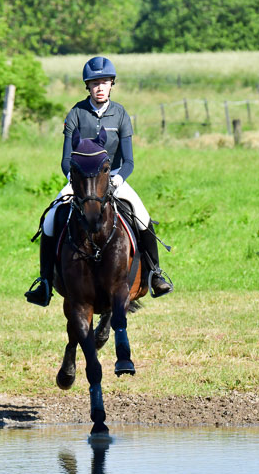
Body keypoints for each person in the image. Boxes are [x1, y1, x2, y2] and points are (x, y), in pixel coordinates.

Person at [25, 55, 173, 307]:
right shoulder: (75, 114)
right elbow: (65, 160)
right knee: (50, 219)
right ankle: (45, 282)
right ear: (88, 86)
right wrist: (76, 181)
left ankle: (155, 274)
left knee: (143, 216)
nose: (100, 87)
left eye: (104, 82)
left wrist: (116, 180)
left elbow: (129, 162)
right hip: (81, 182)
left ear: (112, 84)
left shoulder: (121, 114)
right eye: (95, 83)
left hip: (113, 178)